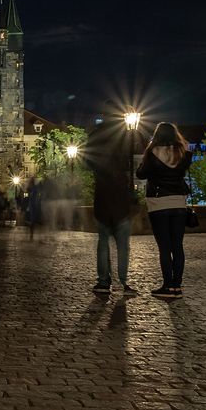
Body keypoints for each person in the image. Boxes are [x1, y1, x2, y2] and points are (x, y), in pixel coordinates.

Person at [135, 122, 191, 299]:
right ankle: (177, 286)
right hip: (179, 204)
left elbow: (141, 174)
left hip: (158, 204)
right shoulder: (183, 153)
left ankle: (167, 285)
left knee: (165, 248)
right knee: (178, 246)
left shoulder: (152, 153)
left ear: (157, 135)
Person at [84, 117, 138, 296]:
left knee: (103, 242)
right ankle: (122, 282)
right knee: (123, 245)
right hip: (120, 198)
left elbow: (87, 161)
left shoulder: (96, 138)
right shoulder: (123, 135)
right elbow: (128, 161)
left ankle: (103, 281)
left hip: (103, 197)